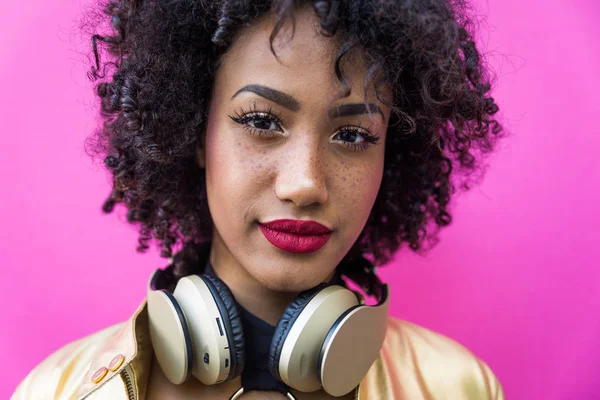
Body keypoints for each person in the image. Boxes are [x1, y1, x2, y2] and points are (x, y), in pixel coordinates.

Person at [12, 0, 506, 399]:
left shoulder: (459, 388)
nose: (305, 184)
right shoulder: (57, 390)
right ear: (193, 133)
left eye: (353, 134)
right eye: (261, 122)